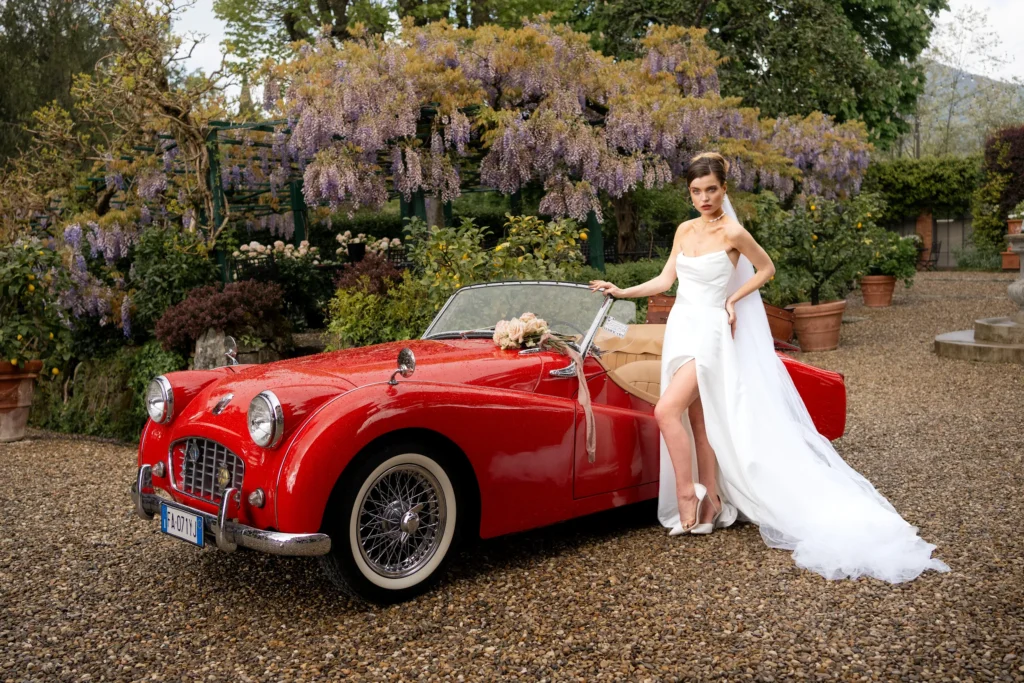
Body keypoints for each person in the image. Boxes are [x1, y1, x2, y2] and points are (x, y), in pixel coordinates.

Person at [587, 152, 950, 583]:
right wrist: (622, 289)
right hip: (682, 328)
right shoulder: (684, 230)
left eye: (712, 190)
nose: (704, 198)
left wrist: (732, 299)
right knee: (700, 421)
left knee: (666, 410)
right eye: (696, 191)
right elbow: (666, 281)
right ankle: (713, 504)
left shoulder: (734, 232)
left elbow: (766, 269)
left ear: (725, 189)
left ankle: (688, 493)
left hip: (711, 332)